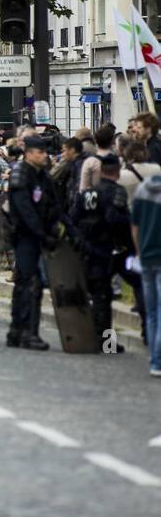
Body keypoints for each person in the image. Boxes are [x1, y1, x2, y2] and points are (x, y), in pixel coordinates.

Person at [71, 152, 131, 350]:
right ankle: (104, 340)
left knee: (89, 292)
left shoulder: (87, 193)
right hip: (107, 249)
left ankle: (83, 335)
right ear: (117, 172)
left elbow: (74, 219)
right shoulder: (117, 192)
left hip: (86, 248)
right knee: (102, 296)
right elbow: (121, 221)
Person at [5, 135, 59, 350]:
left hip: (38, 235)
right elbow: (25, 210)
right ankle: (25, 332)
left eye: (45, 152)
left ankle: (19, 330)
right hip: (25, 236)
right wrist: (41, 234)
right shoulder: (21, 174)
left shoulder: (42, 176)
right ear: (28, 154)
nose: (44, 156)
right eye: (40, 152)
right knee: (29, 284)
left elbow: (54, 206)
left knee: (27, 283)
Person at [128, 171, 161, 376]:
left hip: (146, 255)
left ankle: (154, 358)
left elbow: (134, 225)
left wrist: (139, 250)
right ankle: (158, 359)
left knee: (151, 312)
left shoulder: (142, 189)